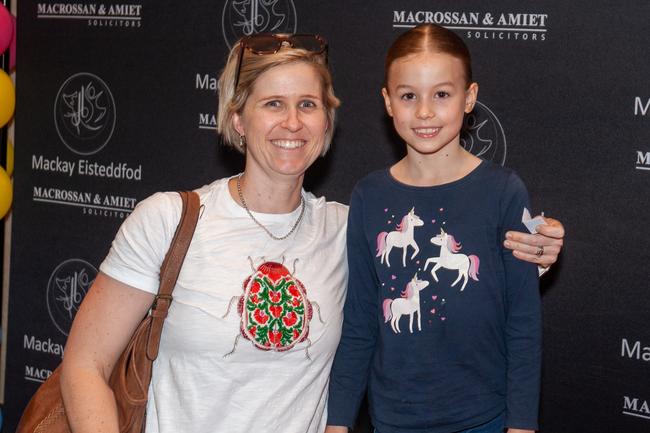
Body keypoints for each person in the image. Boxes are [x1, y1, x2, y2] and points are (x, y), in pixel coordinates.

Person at [59, 32, 562, 433]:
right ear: (237, 117)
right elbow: (85, 364)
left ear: (327, 121)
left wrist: (535, 247)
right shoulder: (169, 219)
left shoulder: (348, 225)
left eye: (308, 104)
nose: (292, 123)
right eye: (272, 104)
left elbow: (450, 262)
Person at [327, 24, 548, 433]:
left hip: (484, 418)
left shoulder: (504, 191)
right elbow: (359, 320)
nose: (425, 112)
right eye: (409, 95)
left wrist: (522, 424)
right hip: (393, 419)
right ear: (388, 102)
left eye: (442, 95)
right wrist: (338, 422)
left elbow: (523, 320)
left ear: (470, 98)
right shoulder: (369, 195)